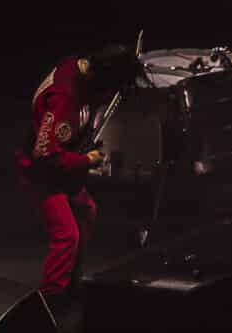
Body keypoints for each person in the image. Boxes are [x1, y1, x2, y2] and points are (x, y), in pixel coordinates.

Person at [15, 44, 148, 314]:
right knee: (67, 235)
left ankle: (70, 281)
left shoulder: (78, 69)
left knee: (86, 211)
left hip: (62, 170)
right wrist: (86, 160)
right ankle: (49, 302)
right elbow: (44, 155)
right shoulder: (64, 96)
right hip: (42, 175)